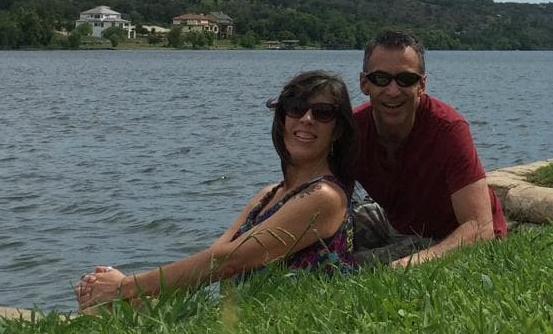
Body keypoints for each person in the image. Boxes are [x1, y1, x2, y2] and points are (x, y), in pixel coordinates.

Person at [74, 70, 358, 312]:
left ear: (337, 130)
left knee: (110, 303)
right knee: (103, 306)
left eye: (322, 113)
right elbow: (216, 256)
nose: (307, 118)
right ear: (282, 118)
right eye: (295, 107)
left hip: (287, 319)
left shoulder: (325, 197)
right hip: (243, 314)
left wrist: (125, 286)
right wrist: (126, 292)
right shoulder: (269, 194)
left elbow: (230, 261)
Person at [353, 30, 507, 267]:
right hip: (399, 225)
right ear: (364, 83)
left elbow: (480, 227)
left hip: (452, 238)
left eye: (406, 79)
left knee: (353, 265)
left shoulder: (448, 129)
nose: (393, 91)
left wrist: (409, 264)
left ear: (421, 85)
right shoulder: (352, 130)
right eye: (381, 78)